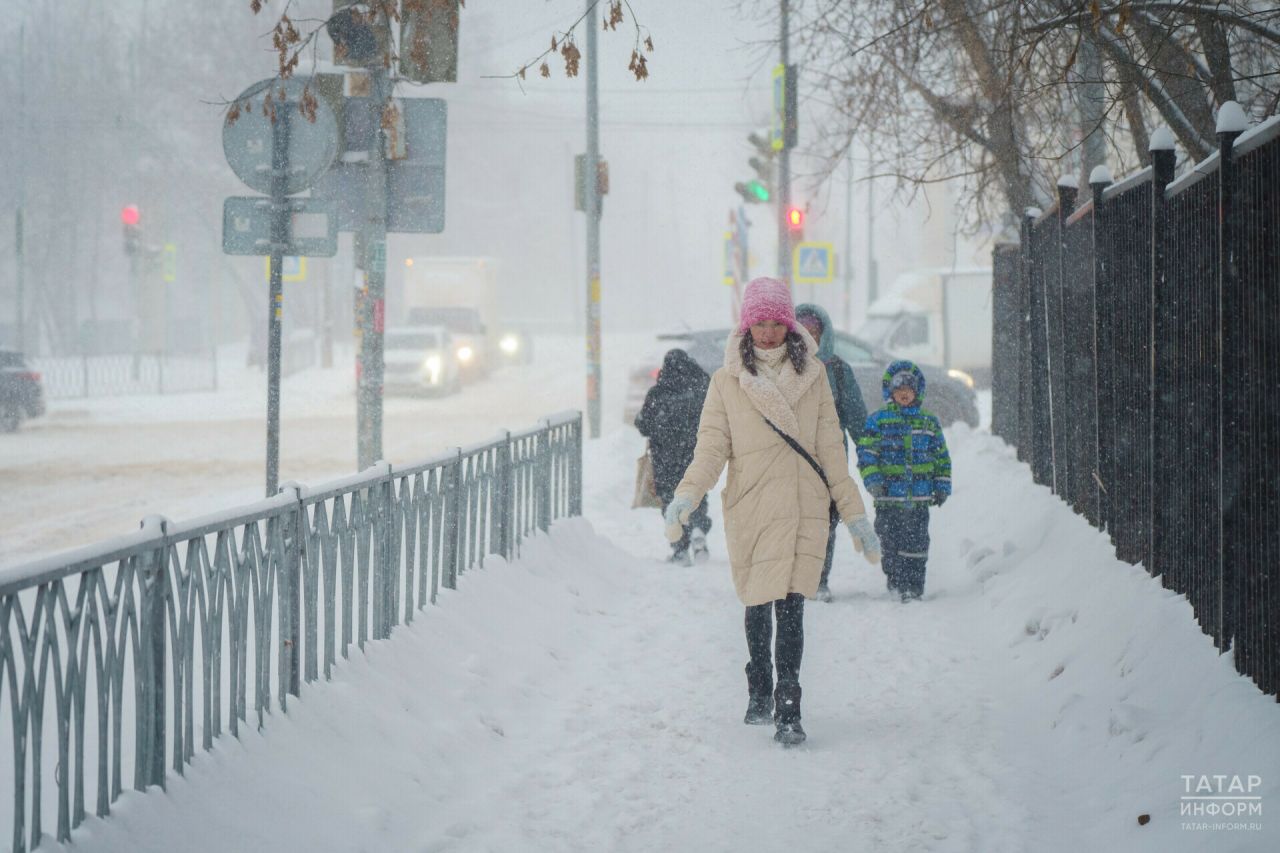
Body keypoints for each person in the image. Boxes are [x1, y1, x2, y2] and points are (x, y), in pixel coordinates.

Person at [663, 277, 881, 746]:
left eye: (775, 323)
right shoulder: (726, 382)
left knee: (793, 606)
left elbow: (830, 452)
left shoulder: (816, 376)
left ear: (787, 323)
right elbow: (711, 449)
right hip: (753, 508)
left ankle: (789, 705)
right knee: (757, 603)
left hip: (804, 508)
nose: (766, 333)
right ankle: (759, 684)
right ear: (746, 325)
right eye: (757, 323)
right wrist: (687, 495)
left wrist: (855, 514)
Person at [856, 360, 952, 601]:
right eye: (899, 391)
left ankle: (914, 585)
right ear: (890, 393)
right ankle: (896, 581)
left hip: (918, 499)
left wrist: (941, 485)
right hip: (888, 498)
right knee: (890, 543)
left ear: (917, 392)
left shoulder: (928, 423)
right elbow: (867, 455)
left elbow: (941, 457)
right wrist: (874, 481)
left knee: (917, 545)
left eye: (908, 390)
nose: (904, 395)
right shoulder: (878, 421)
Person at [794, 303, 868, 602]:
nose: (809, 337)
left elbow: (857, 418)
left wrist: (871, 453)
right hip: (791, 460)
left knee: (824, 520)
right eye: (802, 331)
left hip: (830, 461)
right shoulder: (781, 369)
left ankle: (818, 580)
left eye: (814, 331)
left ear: (824, 335)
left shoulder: (837, 370)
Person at [635, 348, 713, 565]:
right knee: (696, 495)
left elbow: (643, 425)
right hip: (696, 455)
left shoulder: (659, 393)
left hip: (666, 460)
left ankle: (680, 549)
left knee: (671, 501)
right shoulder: (701, 388)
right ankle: (698, 527)